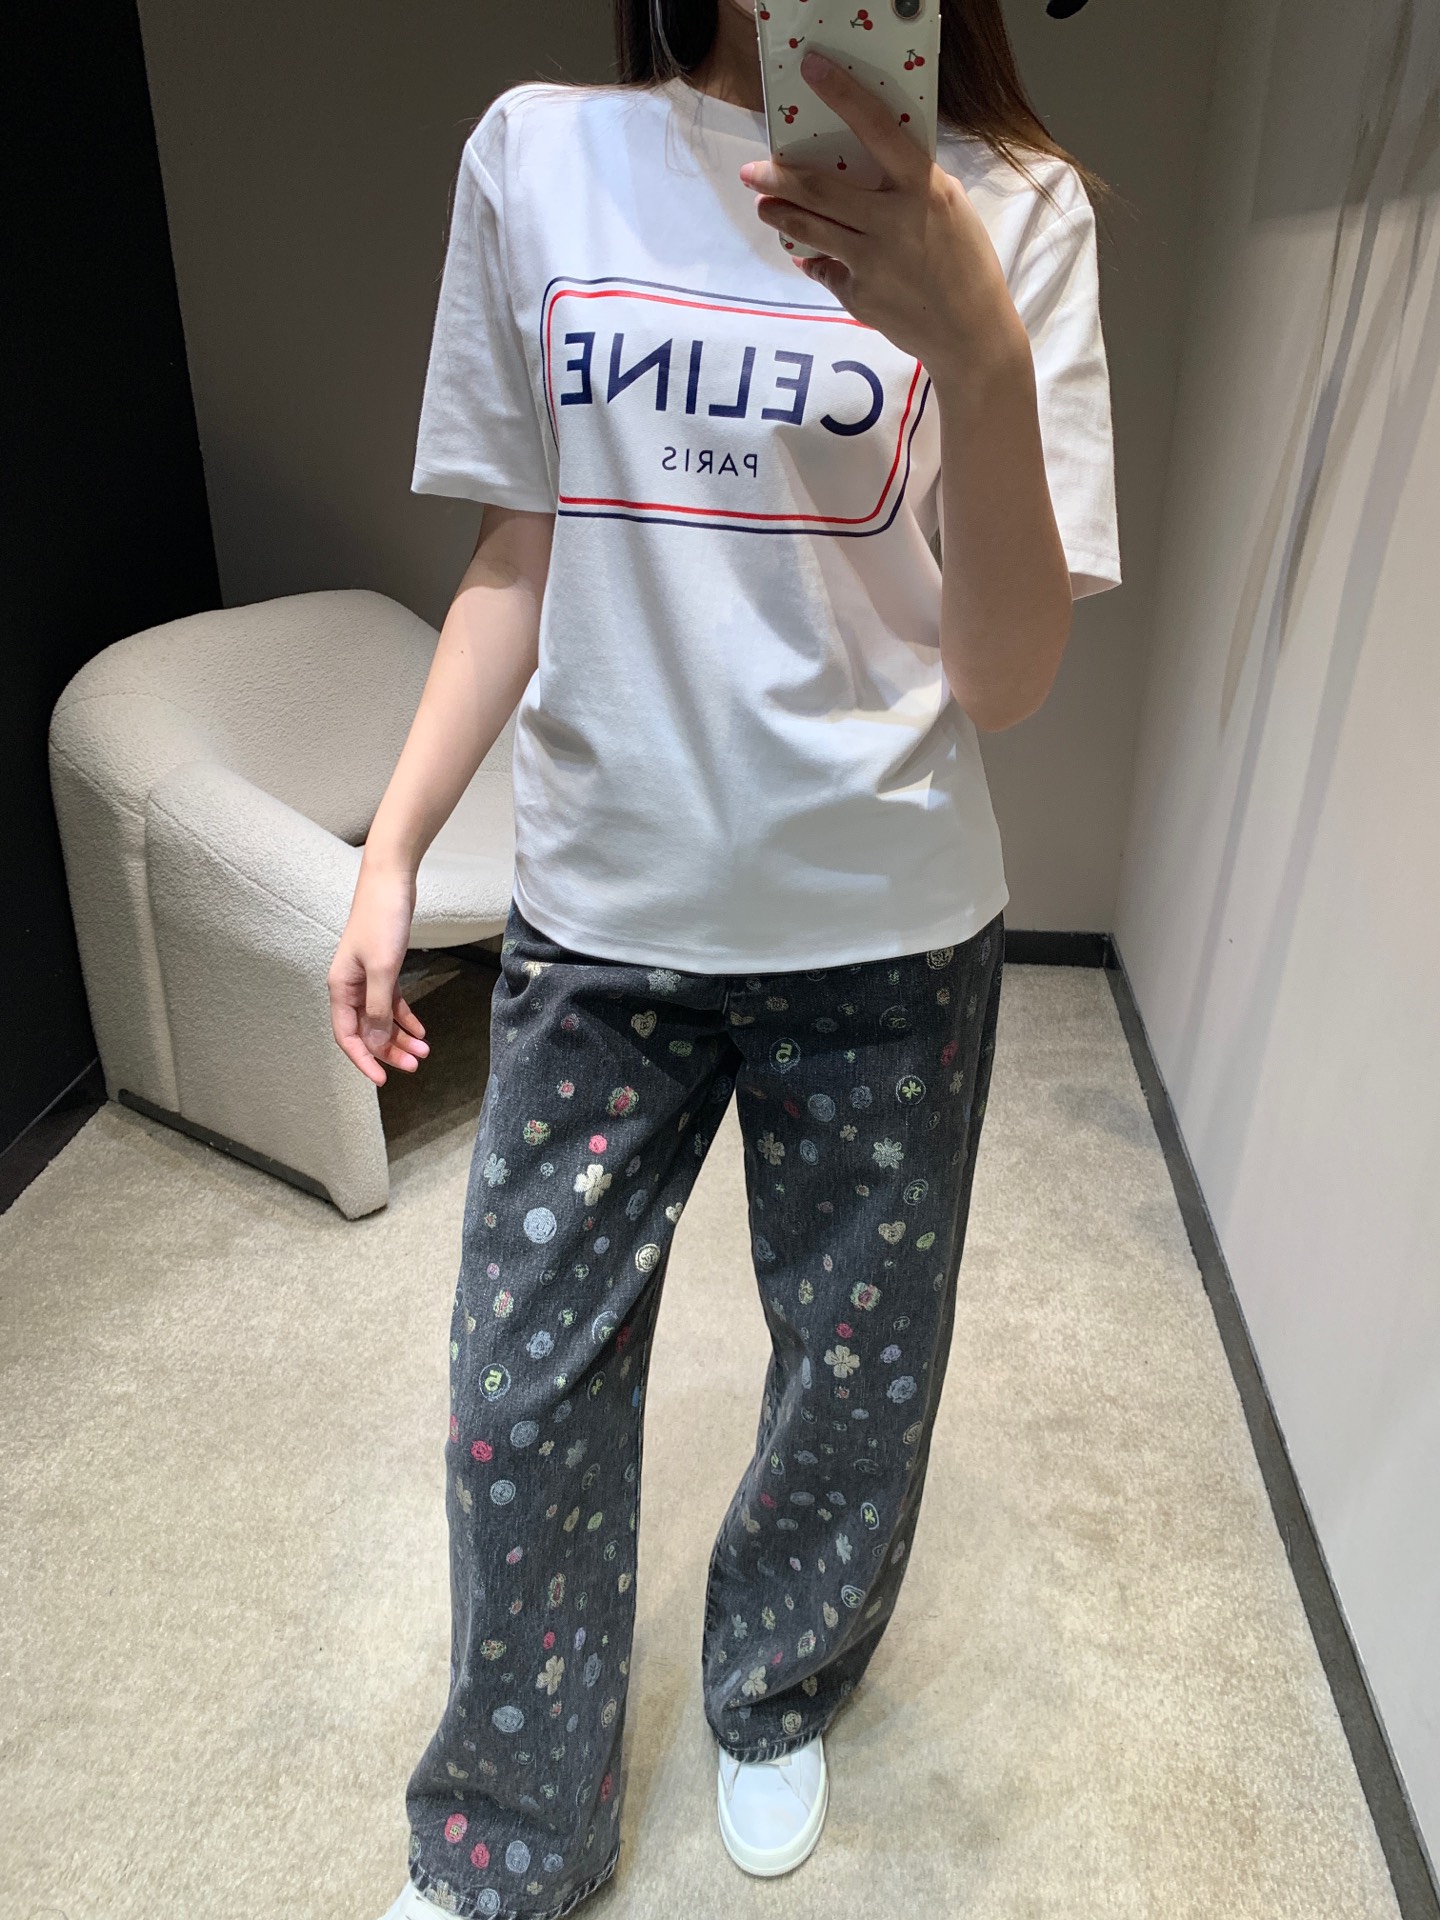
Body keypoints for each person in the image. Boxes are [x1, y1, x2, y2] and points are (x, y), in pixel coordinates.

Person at [331, 1, 1120, 1914]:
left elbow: (1006, 677)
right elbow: (521, 552)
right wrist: (393, 846)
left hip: (887, 931)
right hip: (603, 917)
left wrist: (980, 351)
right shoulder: (541, 154)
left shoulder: (1019, 208)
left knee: (854, 1385)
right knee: (517, 1391)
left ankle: (775, 1688)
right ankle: (511, 1832)